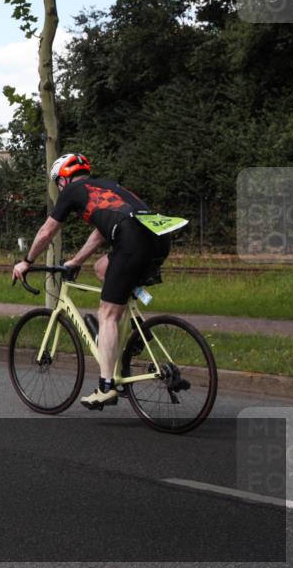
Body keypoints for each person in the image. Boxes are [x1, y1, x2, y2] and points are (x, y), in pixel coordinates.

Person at [11, 153, 179, 410]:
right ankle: (135, 334)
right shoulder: (106, 186)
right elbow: (100, 234)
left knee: (107, 314)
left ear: (62, 180)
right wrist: (76, 261)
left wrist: (27, 261)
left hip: (132, 241)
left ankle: (105, 387)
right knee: (102, 268)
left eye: (58, 184)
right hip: (160, 236)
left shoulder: (72, 191)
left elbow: (47, 232)